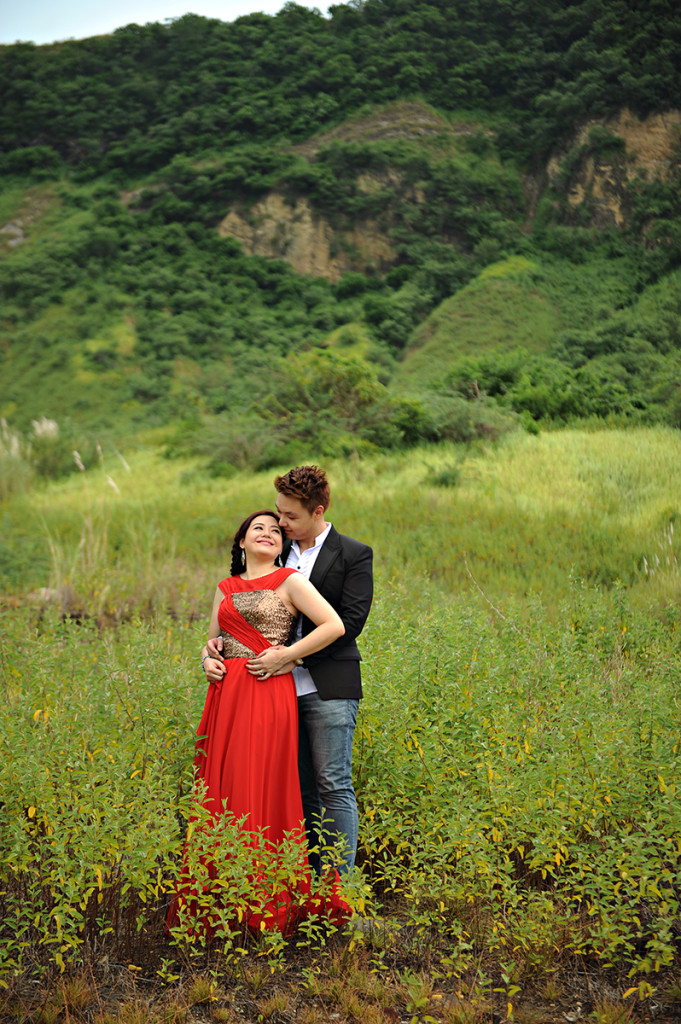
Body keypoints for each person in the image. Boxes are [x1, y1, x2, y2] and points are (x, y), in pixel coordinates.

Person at [169, 509, 351, 937]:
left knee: (263, 785)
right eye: (258, 529)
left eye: (275, 530)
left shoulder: (290, 581)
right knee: (224, 787)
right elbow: (212, 641)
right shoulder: (225, 588)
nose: (268, 533)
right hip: (227, 696)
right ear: (242, 542)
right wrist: (206, 661)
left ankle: (265, 902)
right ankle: (220, 901)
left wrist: (286, 655)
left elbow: (334, 625)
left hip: (268, 690)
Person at [207, 466, 373, 874]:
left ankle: (337, 886)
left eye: (289, 518)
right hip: (268, 693)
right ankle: (300, 881)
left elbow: (348, 623)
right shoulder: (275, 551)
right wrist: (212, 652)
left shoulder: (352, 554)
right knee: (294, 791)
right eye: (277, 516)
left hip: (326, 685)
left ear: (317, 512)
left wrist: (290, 656)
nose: (279, 524)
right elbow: (240, 611)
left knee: (332, 784)